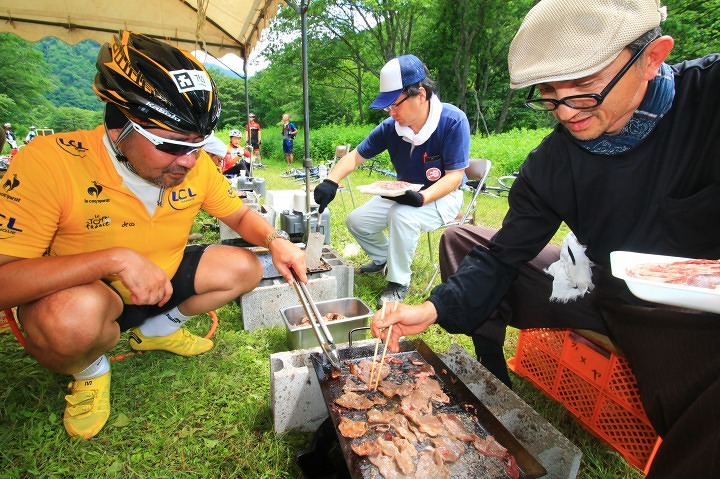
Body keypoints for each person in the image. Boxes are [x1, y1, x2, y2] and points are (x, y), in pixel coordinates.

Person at [371, 1, 720, 477]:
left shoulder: (709, 100)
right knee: (462, 242)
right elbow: (503, 255)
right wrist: (429, 310)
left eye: (583, 88)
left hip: (688, 316)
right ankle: (490, 385)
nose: (565, 111)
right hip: (599, 287)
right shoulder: (554, 162)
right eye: (550, 94)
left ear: (652, 57)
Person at [0, 31, 307, 441]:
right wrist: (114, 260)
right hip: (89, 296)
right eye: (171, 145)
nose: (189, 161)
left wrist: (275, 239)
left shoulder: (195, 165)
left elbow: (236, 213)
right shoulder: (50, 161)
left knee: (246, 267)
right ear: (119, 126)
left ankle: (158, 330)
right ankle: (90, 369)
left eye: (199, 146)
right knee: (65, 322)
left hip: (163, 281)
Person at [314, 54, 470, 308]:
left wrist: (422, 198)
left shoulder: (452, 121)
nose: (392, 112)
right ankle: (384, 258)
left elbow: (454, 177)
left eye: (395, 104)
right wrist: (331, 181)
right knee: (357, 221)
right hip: (404, 192)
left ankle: (398, 282)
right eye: (389, 107)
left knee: (402, 215)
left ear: (420, 94)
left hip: (442, 196)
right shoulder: (391, 127)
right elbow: (355, 157)